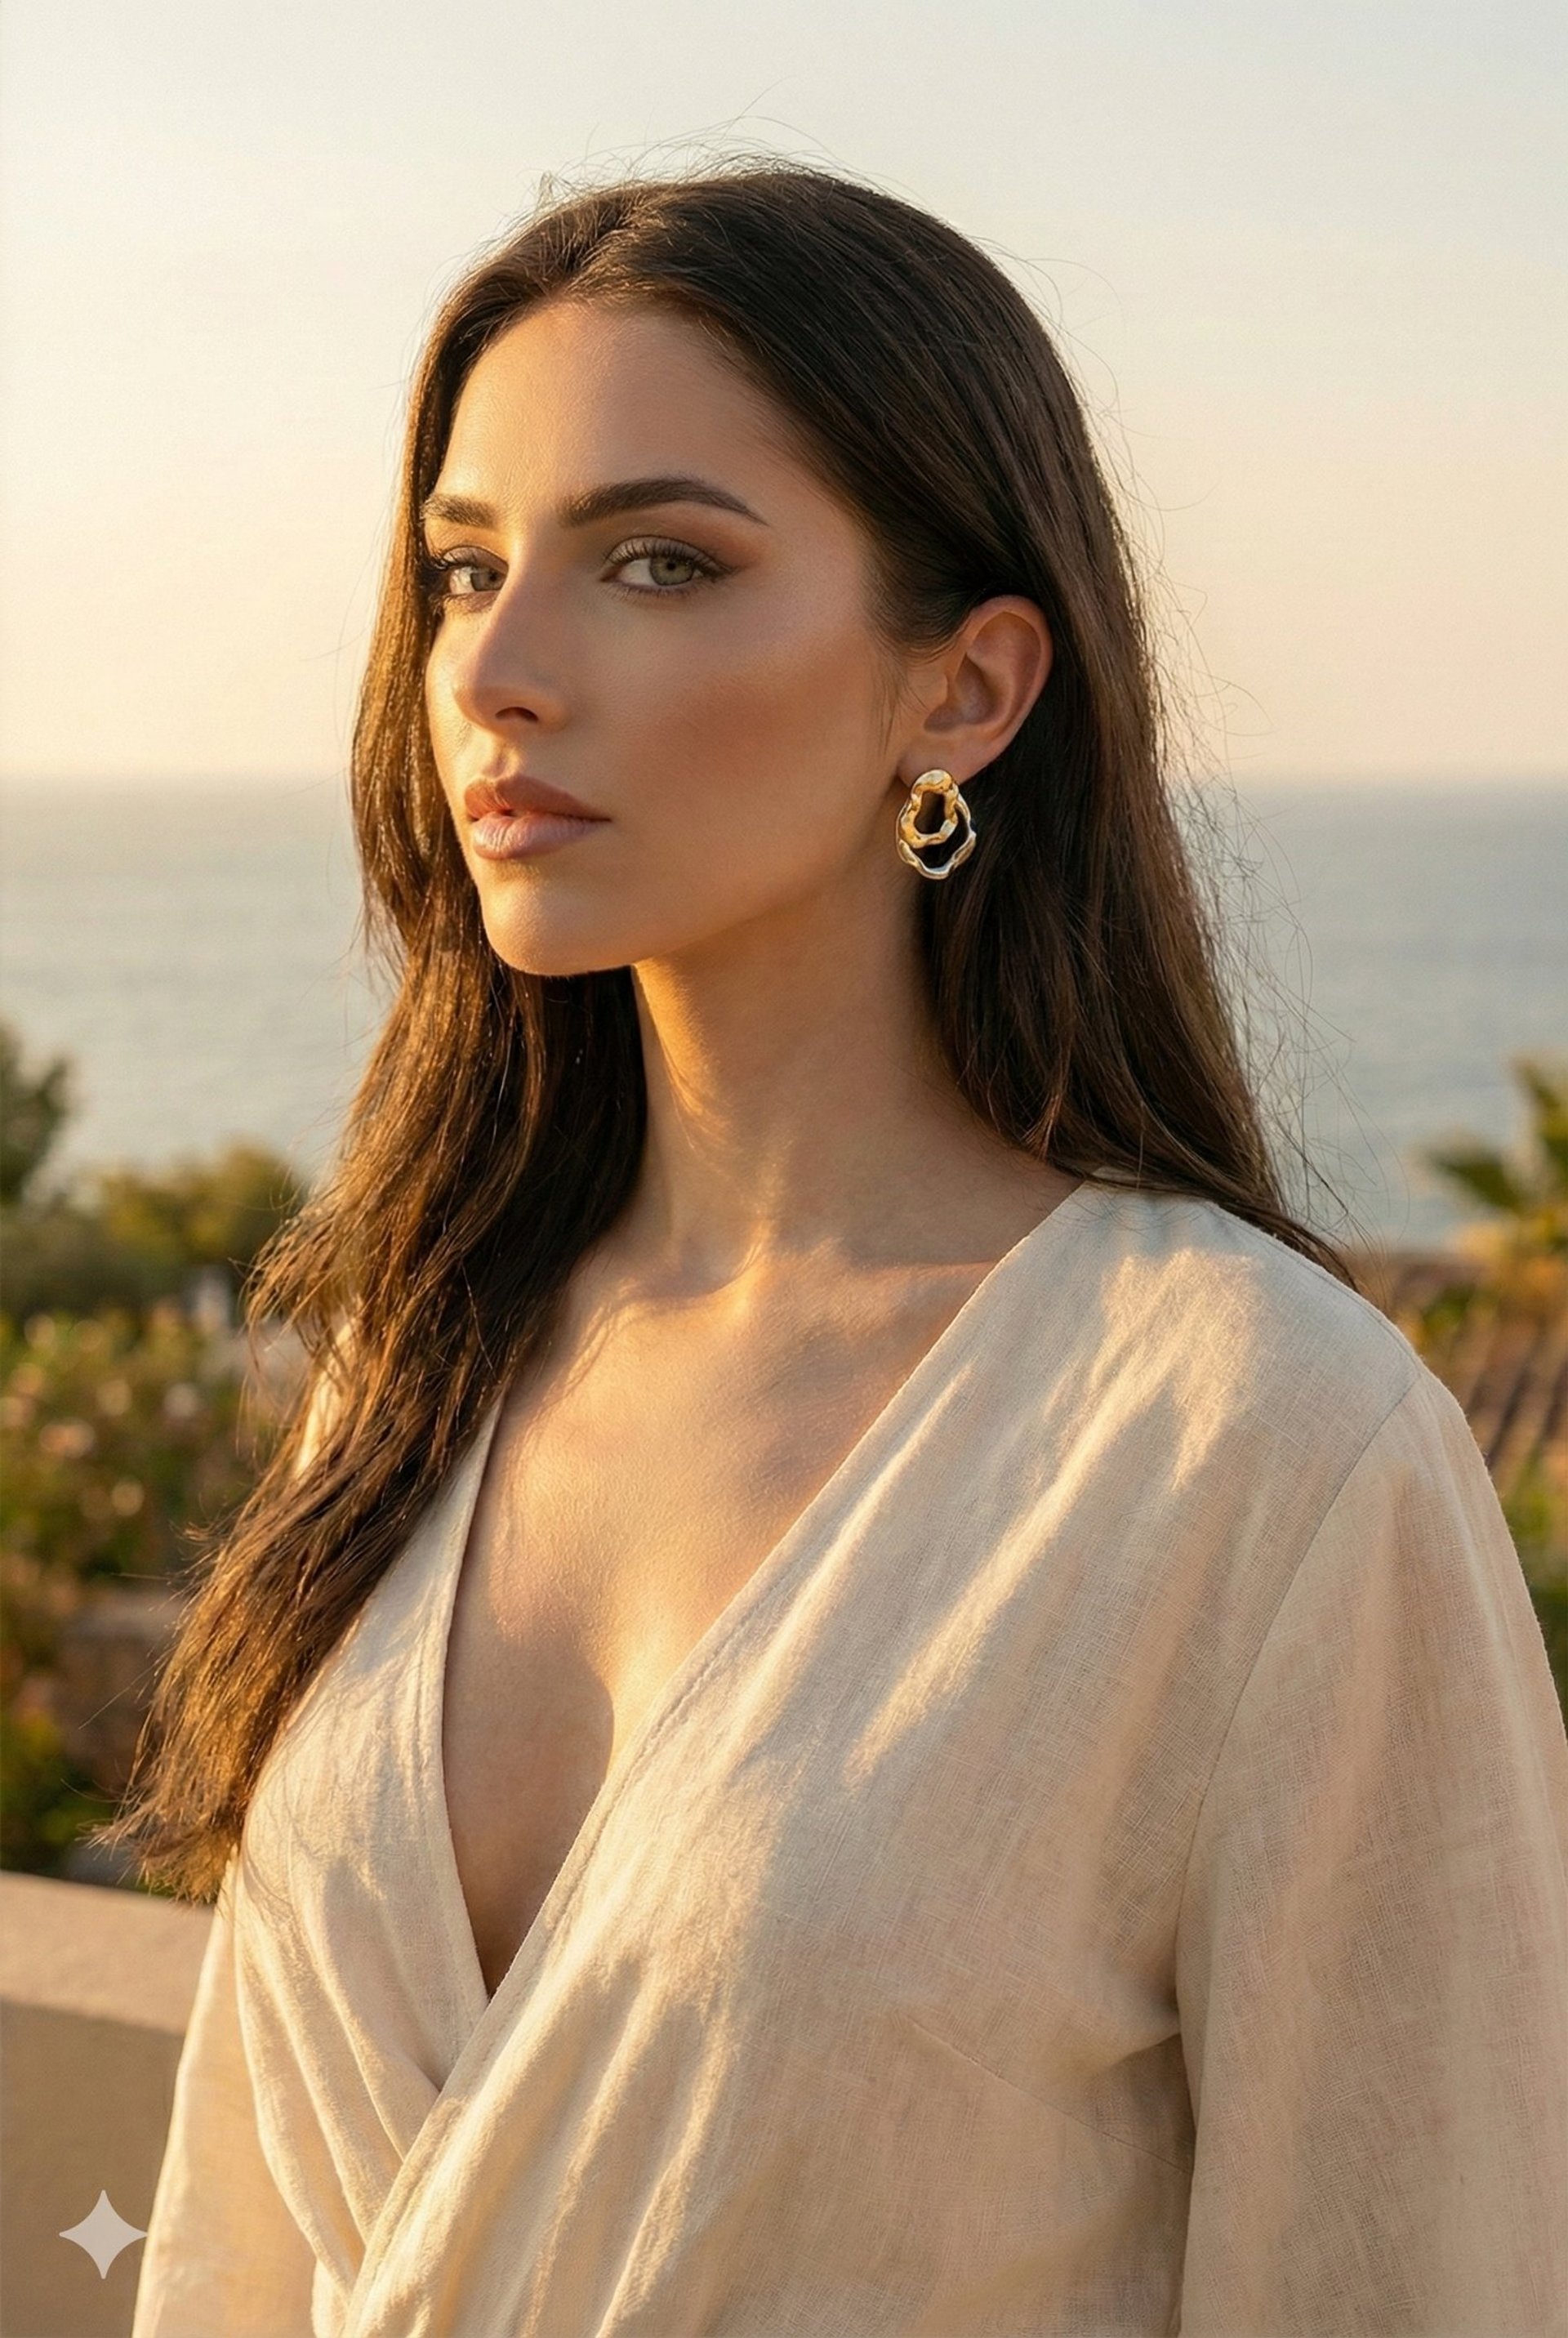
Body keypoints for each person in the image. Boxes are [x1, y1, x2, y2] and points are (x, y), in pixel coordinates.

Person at [118, 163, 1567, 2338]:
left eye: (660, 562)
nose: (497, 671)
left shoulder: (1260, 1454)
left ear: (966, 691)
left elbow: (1409, 2267)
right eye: (461, 569)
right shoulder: (415, 1364)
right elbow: (230, 2247)